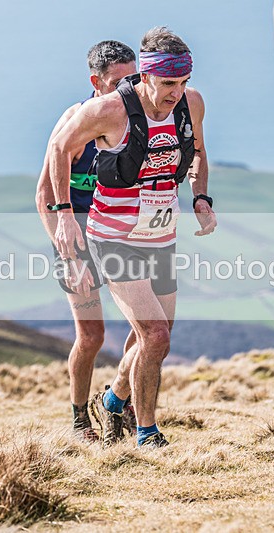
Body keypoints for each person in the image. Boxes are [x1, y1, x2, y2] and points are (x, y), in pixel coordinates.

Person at [50, 26, 217, 448]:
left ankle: (113, 397)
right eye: (167, 83)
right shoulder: (108, 111)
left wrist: (200, 197)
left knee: (157, 338)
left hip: (160, 235)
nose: (176, 93)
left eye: (182, 82)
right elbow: (59, 150)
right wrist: (65, 215)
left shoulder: (190, 103)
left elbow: (197, 153)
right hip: (112, 238)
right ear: (146, 75)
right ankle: (146, 432)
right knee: (154, 334)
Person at [35, 40, 137, 442]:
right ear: (96, 82)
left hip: (119, 233)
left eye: (135, 80)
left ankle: (120, 400)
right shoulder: (75, 121)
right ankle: (80, 420)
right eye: (118, 83)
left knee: (148, 329)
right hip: (75, 237)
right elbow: (44, 193)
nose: (128, 90)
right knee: (92, 336)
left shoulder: (138, 116)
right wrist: (66, 251)